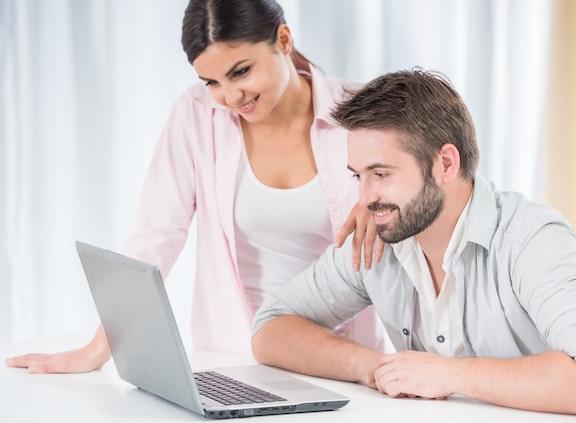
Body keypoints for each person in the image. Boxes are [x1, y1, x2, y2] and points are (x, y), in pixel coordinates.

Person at [5, 0, 387, 374]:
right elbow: (156, 236)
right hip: (238, 360)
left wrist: (382, 201)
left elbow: (438, 173)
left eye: (241, 72)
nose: (231, 97)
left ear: (283, 40)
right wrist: (98, 349)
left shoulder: (364, 110)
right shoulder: (197, 114)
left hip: (344, 357)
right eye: (211, 82)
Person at [250, 68, 576, 418]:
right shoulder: (382, 232)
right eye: (358, 176)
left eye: (381, 173)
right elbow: (270, 331)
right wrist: (376, 368)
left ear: (445, 164)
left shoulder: (529, 238)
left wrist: (449, 375)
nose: (364, 197)